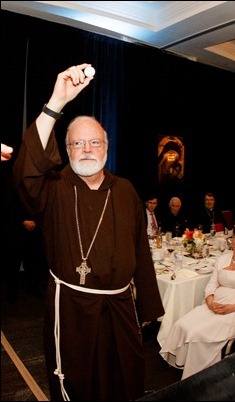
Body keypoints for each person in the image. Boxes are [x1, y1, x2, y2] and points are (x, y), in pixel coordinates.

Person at [13, 63, 164, 401]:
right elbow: (27, 171)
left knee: (125, 376)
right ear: (65, 151)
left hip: (121, 306)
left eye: (94, 142)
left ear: (106, 147)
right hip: (71, 307)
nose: (86, 149)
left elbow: (140, 249)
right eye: (77, 143)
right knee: (77, 382)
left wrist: (148, 308)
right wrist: (55, 103)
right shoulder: (53, 187)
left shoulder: (125, 190)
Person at [159, 223, 235, 379]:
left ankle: (197, 374)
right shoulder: (222, 259)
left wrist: (231, 308)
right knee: (182, 324)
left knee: (197, 333)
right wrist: (209, 301)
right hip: (216, 301)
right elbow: (211, 285)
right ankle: (183, 362)